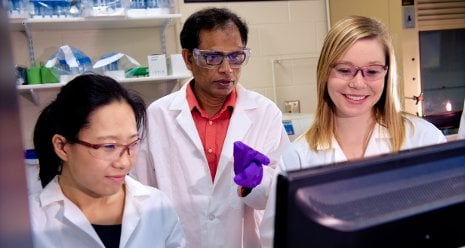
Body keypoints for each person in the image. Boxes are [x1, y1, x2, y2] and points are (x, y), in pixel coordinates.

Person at [260, 15, 447, 247]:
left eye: (372, 71)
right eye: (345, 70)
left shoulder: (424, 140)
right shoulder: (299, 156)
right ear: (325, 73)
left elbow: (447, 229)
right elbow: (277, 241)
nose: (358, 83)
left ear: (387, 74)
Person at [131, 7, 290, 248]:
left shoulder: (265, 113)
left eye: (236, 57)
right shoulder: (157, 116)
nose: (227, 69)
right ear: (188, 59)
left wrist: (256, 183)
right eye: (213, 57)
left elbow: (282, 195)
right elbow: (140, 193)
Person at [30, 74, 186, 248]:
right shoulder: (27, 221)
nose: (124, 163)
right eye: (109, 146)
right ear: (62, 147)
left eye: (132, 143)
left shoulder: (156, 206)